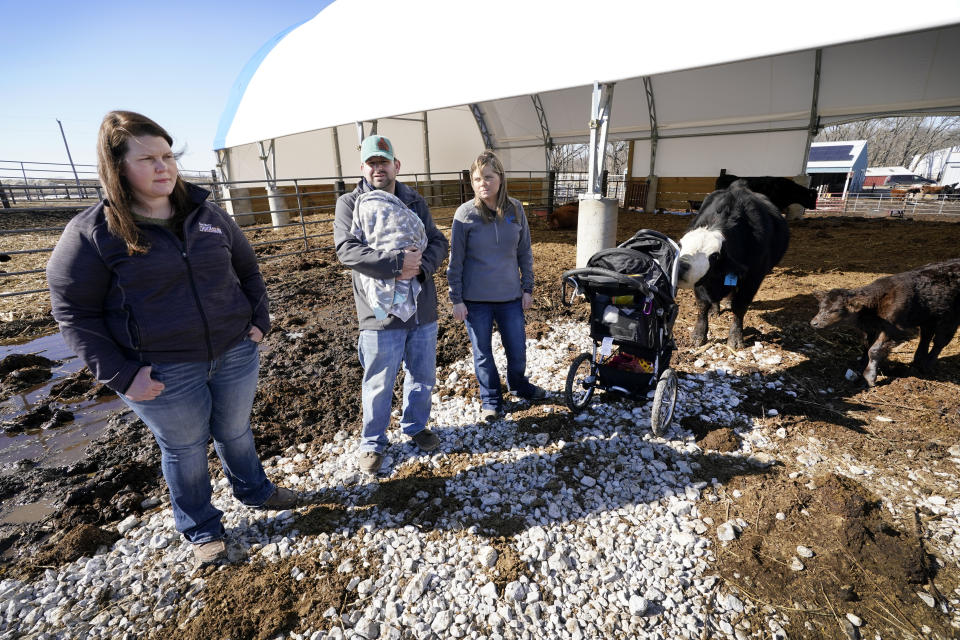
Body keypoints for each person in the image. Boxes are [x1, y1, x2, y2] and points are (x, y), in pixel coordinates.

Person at [46, 111, 297, 566]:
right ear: (118, 166)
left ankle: (255, 490)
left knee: (235, 430)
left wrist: (260, 321)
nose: (164, 167)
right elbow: (72, 312)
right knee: (184, 449)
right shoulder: (93, 233)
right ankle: (201, 526)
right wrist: (121, 375)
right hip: (160, 370)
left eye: (168, 155)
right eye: (148, 159)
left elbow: (248, 269)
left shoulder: (208, 215)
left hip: (236, 351)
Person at [333, 135, 449, 474]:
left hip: (421, 307)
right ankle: (372, 442)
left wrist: (422, 267)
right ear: (363, 168)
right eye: (372, 163)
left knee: (423, 374)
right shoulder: (350, 203)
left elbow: (437, 240)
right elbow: (348, 250)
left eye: (384, 161)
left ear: (396, 165)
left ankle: (415, 426)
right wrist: (398, 264)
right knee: (379, 382)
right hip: (378, 314)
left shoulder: (414, 201)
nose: (378, 168)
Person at [447, 150, 546, 422]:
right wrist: (456, 298)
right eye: (477, 179)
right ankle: (490, 399)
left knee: (517, 349)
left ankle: (518, 384)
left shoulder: (515, 209)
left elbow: (524, 251)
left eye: (488, 177)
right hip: (475, 299)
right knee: (482, 352)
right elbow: (455, 260)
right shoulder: (464, 215)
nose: (482, 183)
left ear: (500, 178)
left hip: (510, 297)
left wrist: (528, 288)